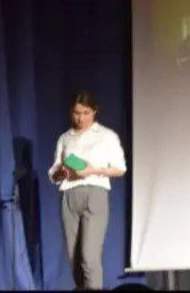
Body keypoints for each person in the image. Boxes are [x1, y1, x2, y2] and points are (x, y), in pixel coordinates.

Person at [48, 92, 127, 290]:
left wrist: (93, 170)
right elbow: (54, 172)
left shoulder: (107, 136)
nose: (81, 118)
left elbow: (120, 168)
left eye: (86, 113)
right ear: (71, 113)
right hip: (69, 196)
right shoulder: (65, 138)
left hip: (95, 194)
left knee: (89, 257)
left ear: (94, 111)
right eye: (76, 113)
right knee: (74, 260)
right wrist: (61, 172)